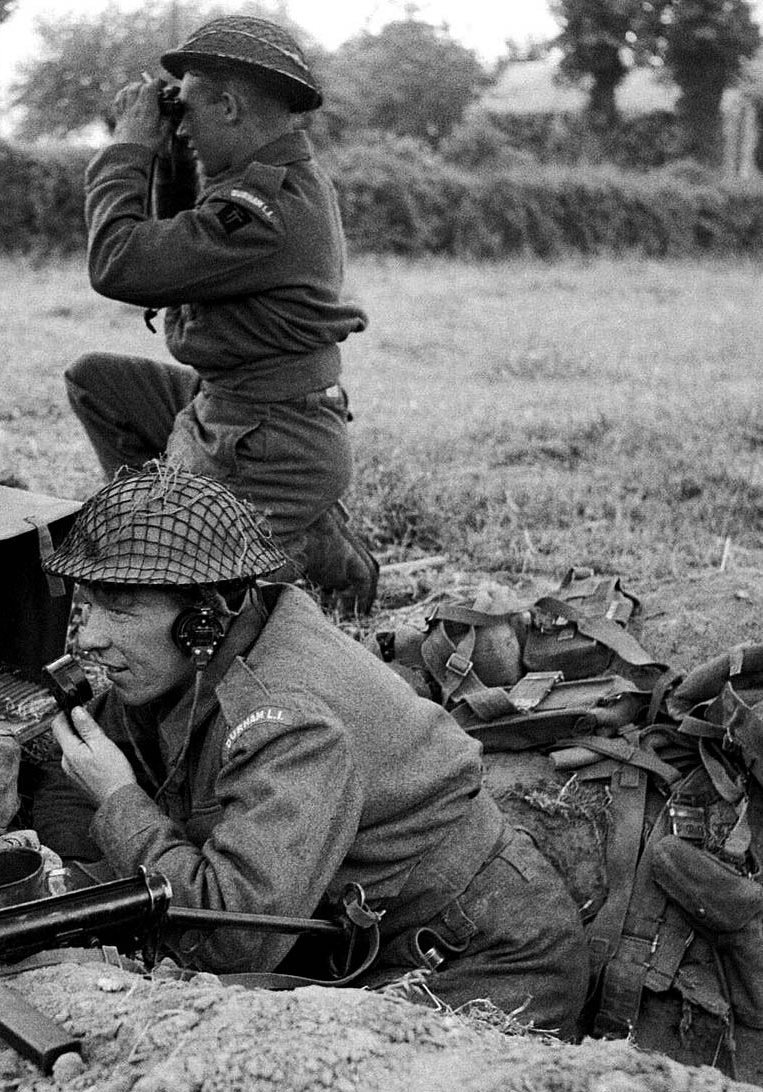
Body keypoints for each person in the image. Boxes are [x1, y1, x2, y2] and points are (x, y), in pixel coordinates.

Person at [31, 462, 590, 1038]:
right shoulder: (202, 650)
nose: (89, 638)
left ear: (200, 618)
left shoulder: (288, 720)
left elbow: (230, 939)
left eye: (119, 609)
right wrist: (67, 873)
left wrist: (120, 801)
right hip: (362, 944)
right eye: (87, 606)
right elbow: (72, 786)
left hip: (481, 964)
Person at [65, 16, 378, 611]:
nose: (179, 131)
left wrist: (127, 148)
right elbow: (182, 240)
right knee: (97, 382)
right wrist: (171, 153)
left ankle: (313, 552)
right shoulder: (255, 180)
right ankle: (176, 512)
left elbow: (119, 263)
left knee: (186, 604)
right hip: (227, 404)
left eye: (187, 111)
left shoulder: (263, 209)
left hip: (271, 440)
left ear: (230, 107)